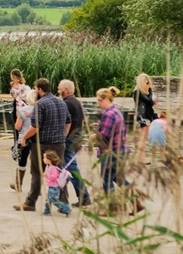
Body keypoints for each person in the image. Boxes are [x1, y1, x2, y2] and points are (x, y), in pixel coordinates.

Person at [14, 78, 68, 212]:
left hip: (42, 144)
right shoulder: (61, 102)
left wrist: (24, 138)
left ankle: (30, 202)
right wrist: (63, 136)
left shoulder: (40, 104)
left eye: (35, 88)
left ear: (39, 89)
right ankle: (63, 202)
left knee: (37, 173)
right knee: (59, 173)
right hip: (59, 144)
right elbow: (68, 122)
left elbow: (35, 127)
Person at [96, 86, 135, 204]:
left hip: (111, 152)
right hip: (121, 150)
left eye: (99, 100)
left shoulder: (109, 115)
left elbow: (104, 136)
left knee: (107, 179)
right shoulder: (116, 111)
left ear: (106, 99)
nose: (98, 103)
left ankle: (113, 206)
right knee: (118, 178)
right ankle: (135, 202)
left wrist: (94, 136)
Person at [59, 79, 91, 207]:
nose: (58, 90)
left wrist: (63, 137)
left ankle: (84, 196)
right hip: (77, 137)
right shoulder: (77, 102)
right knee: (69, 166)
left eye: (59, 88)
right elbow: (83, 121)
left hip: (69, 138)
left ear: (66, 90)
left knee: (71, 168)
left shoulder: (67, 103)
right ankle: (67, 195)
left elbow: (67, 122)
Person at [10, 90, 36, 193]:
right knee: (35, 162)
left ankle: (18, 184)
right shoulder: (41, 110)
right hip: (36, 139)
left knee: (22, 161)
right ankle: (35, 186)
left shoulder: (22, 110)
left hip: (24, 139)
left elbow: (17, 126)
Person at [132, 73, 157, 164]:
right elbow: (150, 101)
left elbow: (153, 102)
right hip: (143, 117)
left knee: (142, 138)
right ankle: (141, 158)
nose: (149, 84)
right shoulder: (138, 91)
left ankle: (139, 157)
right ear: (142, 83)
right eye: (147, 83)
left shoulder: (142, 91)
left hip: (146, 116)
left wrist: (150, 90)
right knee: (143, 138)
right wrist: (150, 89)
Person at [42, 150, 72, 216]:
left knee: (53, 200)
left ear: (49, 160)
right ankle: (47, 211)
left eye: (45, 158)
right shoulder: (48, 167)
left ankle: (66, 209)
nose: (43, 159)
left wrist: (46, 175)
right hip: (51, 186)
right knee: (48, 199)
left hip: (54, 187)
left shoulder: (54, 168)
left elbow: (54, 177)